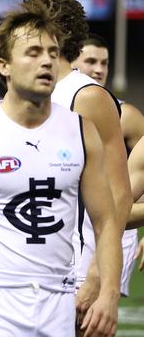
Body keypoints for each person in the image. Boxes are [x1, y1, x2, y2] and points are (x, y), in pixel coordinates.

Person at [0, 0, 122, 336]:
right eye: (32, 52)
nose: (46, 60)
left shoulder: (81, 130)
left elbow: (106, 222)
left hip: (59, 300)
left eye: (52, 51)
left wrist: (108, 294)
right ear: (4, 65)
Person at [25, 0, 131, 319]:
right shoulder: (25, 93)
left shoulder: (86, 96)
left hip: (75, 269)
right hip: (28, 268)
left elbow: (119, 193)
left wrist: (99, 278)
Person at [72, 32, 144, 298]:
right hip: (66, 225)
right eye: (91, 61)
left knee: (94, 317)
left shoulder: (127, 115)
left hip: (113, 225)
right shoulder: (57, 109)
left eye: (105, 63)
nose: (99, 69)